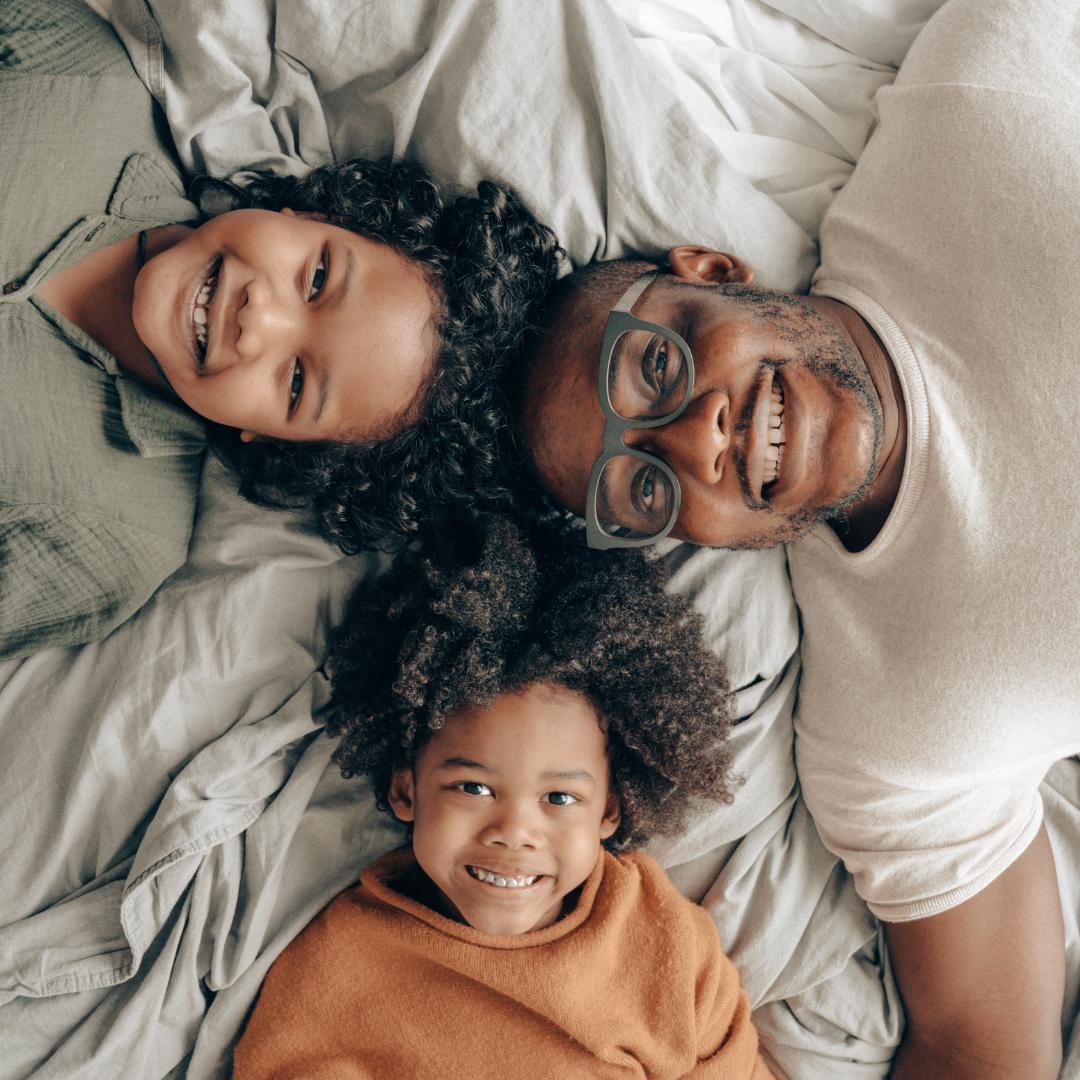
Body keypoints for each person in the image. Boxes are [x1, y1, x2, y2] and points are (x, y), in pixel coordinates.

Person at [510, 1, 1080, 1077]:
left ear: (714, 272)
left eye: (656, 368)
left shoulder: (969, 115)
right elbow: (982, 1045)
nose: (695, 439)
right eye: (643, 488)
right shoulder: (888, 727)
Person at [0, 0, 559, 660]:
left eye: (296, 383)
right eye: (318, 276)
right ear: (310, 213)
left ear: (270, 439)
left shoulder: (113, 544)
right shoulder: (79, 75)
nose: (258, 317)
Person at [231, 515, 774, 1079]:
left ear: (609, 809)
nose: (514, 830)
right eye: (473, 787)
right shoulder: (339, 966)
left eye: (560, 798)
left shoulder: (664, 945)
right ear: (405, 788)